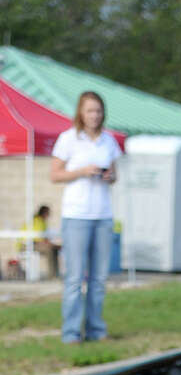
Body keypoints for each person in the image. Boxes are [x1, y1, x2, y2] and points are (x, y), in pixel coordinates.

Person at [49, 91, 121, 346]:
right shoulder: (68, 140)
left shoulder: (108, 141)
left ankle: (95, 329)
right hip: (76, 216)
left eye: (98, 111)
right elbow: (55, 174)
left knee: (99, 279)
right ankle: (70, 333)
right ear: (81, 112)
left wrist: (107, 176)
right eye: (90, 110)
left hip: (102, 216)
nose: (94, 115)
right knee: (74, 278)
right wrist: (81, 171)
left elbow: (115, 174)